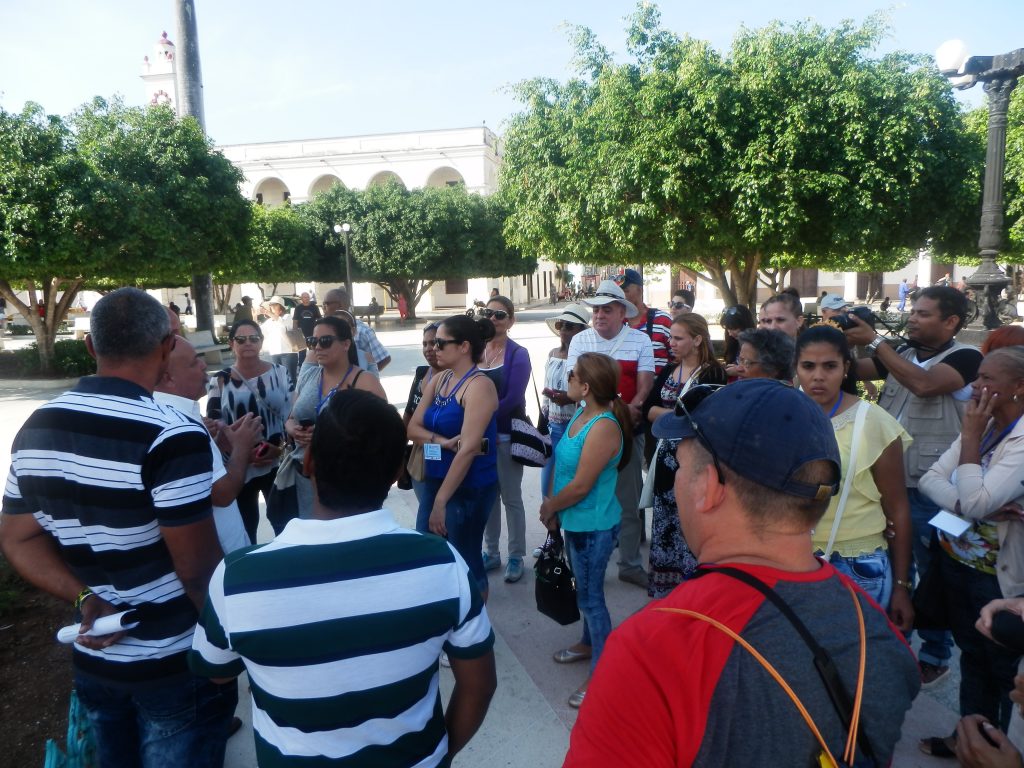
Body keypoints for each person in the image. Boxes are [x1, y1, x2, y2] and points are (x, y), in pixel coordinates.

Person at [563, 379, 921, 766]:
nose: (676, 479)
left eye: (680, 466)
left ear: (710, 487)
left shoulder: (652, 649)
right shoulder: (879, 632)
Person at [190, 389, 498, 767]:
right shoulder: (441, 564)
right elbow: (480, 686)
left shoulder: (237, 577)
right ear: (398, 471)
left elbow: (217, 674)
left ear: (309, 463)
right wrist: (439, 756)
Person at [0, 287, 235, 768]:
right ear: (168, 346)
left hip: (94, 662)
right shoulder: (170, 434)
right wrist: (223, 650)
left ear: (90, 346)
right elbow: (195, 570)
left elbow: (17, 538)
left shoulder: (36, 428)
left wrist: (84, 597)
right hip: (175, 665)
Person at [847, 285, 982, 685]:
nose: (913, 318)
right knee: (896, 569)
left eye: (924, 314)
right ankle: (894, 642)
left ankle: (935, 655)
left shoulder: (966, 358)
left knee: (933, 571)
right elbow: (857, 372)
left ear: (951, 321)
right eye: (914, 311)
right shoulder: (902, 354)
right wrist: (844, 343)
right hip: (890, 480)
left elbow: (924, 384)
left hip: (933, 487)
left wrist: (876, 341)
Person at [916, 347, 1024, 754]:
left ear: (1019, 387)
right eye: (977, 376)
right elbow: (930, 480)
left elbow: (978, 501)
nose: (976, 386)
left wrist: (972, 445)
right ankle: (969, 741)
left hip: (1001, 576)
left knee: (1002, 667)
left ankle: (1001, 750)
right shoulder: (984, 425)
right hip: (957, 562)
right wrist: (964, 500)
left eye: (987, 379)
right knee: (971, 658)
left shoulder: (1006, 435)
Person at [794, 326, 914, 630]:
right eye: (808, 366)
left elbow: (897, 508)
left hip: (858, 564)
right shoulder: (781, 415)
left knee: (861, 663)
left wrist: (902, 585)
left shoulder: (873, 423)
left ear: (846, 367)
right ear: (796, 367)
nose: (818, 376)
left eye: (829, 366)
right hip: (791, 559)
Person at [539, 353, 632, 709]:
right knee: (585, 592)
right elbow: (562, 468)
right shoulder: (581, 413)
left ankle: (603, 673)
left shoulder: (604, 426)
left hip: (593, 527)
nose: (569, 378)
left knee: (592, 600)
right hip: (574, 522)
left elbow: (580, 486)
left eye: (573, 375)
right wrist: (553, 508)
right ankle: (589, 643)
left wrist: (551, 506)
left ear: (587, 386)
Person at [408, 315, 500, 599]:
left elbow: (470, 448)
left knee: (466, 558)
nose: (434, 348)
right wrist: (442, 442)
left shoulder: (479, 386)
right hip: (437, 479)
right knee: (430, 548)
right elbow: (412, 427)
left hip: (469, 486)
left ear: (463, 347)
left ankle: (477, 628)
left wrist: (440, 502)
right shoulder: (440, 379)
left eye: (440, 342)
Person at [571, 279, 655, 587]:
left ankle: (630, 563)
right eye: (596, 310)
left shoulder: (640, 341)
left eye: (607, 310)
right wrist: (607, 417)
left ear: (623, 313)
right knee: (589, 498)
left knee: (627, 500)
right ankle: (590, 562)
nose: (599, 316)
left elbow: (646, 381)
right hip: (589, 433)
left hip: (629, 431)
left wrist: (635, 407)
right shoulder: (580, 341)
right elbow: (577, 387)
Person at [643, 314, 727, 597]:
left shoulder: (712, 374)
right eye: (671, 337)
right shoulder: (670, 370)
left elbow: (707, 419)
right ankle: (667, 595)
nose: (671, 343)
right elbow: (648, 410)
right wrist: (678, 416)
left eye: (678, 338)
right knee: (665, 526)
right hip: (665, 466)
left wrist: (666, 417)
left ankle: (691, 596)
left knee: (690, 530)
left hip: (694, 465)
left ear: (698, 340)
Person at [156, 333, 259, 555]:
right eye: (194, 362)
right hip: (216, 565)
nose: (204, 365)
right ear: (168, 377)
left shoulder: (182, 417)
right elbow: (222, 494)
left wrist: (218, 443)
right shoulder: (179, 426)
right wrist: (241, 445)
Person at [286, 315, 387, 514]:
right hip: (303, 475)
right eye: (313, 341)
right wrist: (292, 429)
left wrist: (328, 435)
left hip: (345, 480)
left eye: (325, 341)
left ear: (346, 344)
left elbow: (383, 432)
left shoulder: (364, 382)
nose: (318, 347)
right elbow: (291, 416)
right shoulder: (309, 375)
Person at [206, 320, 291, 544]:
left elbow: (291, 416)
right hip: (239, 466)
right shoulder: (220, 379)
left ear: (261, 342)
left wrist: (279, 448)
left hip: (275, 461)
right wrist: (242, 452)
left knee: (284, 521)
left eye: (253, 338)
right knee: (246, 525)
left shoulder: (280, 373)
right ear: (232, 344)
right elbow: (215, 425)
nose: (248, 344)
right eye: (241, 340)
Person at [479, 295, 533, 583]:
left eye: (500, 315)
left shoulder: (518, 354)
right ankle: (491, 552)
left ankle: (515, 555)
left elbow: (513, 398)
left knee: (511, 498)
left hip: (505, 436)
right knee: (488, 497)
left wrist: (478, 413)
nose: (493, 319)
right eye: (489, 313)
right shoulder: (476, 351)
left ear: (511, 320)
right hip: (481, 440)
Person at [540, 304, 591, 500]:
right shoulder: (552, 354)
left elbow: (589, 393)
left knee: (570, 484)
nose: (563, 330)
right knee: (547, 486)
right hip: (554, 426)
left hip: (576, 427)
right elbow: (546, 389)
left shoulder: (586, 360)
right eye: (561, 324)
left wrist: (569, 397)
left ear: (581, 331)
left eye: (570, 326)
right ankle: (552, 528)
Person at [404, 321, 445, 504]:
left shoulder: (455, 379)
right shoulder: (421, 373)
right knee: (426, 511)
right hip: (420, 455)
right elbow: (408, 413)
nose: (429, 349)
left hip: (445, 455)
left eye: (434, 343)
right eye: (425, 344)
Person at [617, 268, 674, 375]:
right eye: (618, 291)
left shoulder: (663, 321)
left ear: (640, 290)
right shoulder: (615, 324)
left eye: (625, 290)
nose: (621, 296)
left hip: (658, 389)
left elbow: (679, 357)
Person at [321, 288, 391, 373]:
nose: (323, 308)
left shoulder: (363, 331)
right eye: (323, 304)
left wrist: (364, 378)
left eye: (326, 304)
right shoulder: (324, 329)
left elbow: (384, 359)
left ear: (340, 305)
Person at [260, 295, 298, 387]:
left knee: (291, 378)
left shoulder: (287, 317)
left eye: (274, 305)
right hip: (275, 353)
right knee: (278, 379)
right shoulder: (269, 321)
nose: (271, 307)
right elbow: (259, 330)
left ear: (280, 307)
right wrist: (253, 316)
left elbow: (283, 324)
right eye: (271, 305)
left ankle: (295, 399)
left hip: (288, 352)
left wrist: (268, 313)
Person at [720, 304, 757, 379]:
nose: (730, 333)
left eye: (733, 328)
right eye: (728, 329)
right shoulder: (734, 344)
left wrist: (739, 371)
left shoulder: (758, 346)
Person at [291, 291, 321, 366]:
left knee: (314, 350)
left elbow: (319, 319)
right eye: (304, 297)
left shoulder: (314, 307)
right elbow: (295, 321)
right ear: (301, 298)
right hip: (301, 333)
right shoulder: (298, 308)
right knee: (302, 352)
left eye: (308, 297)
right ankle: (302, 366)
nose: (306, 299)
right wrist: (295, 332)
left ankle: (315, 364)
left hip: (313, 332)